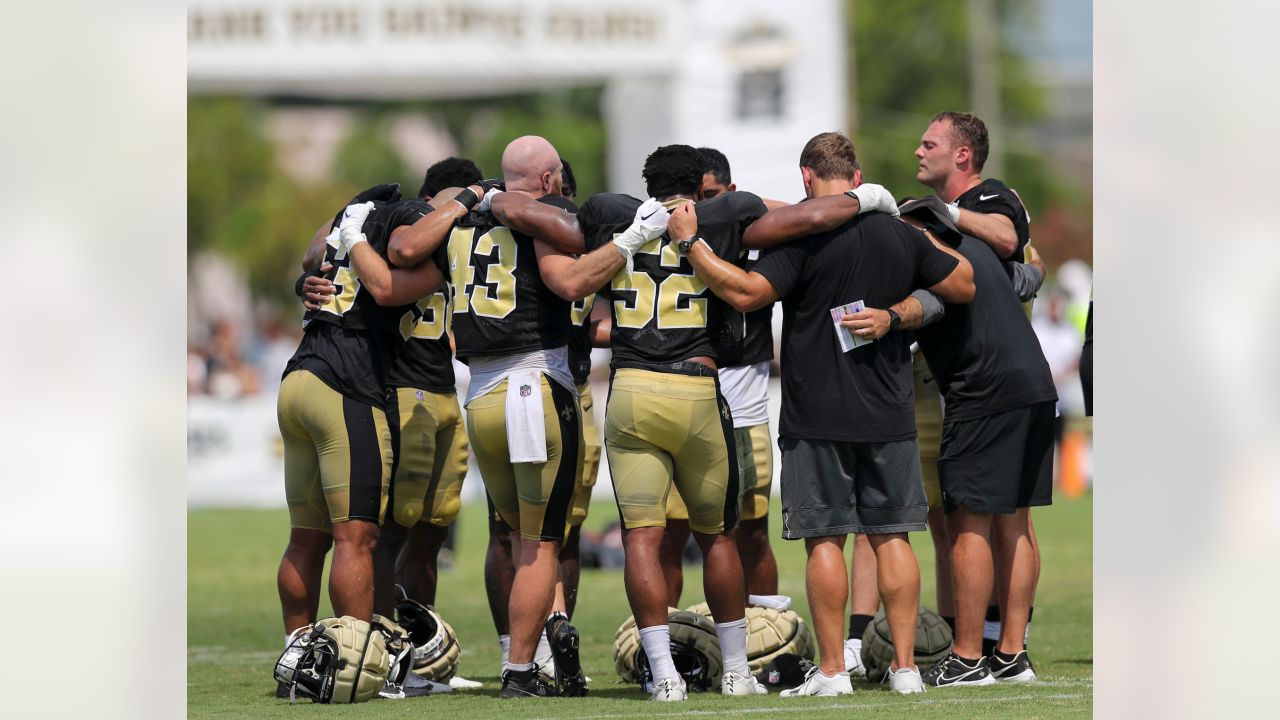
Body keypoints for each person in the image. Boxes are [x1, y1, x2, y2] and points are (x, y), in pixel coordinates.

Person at [677, 131, 975, 696]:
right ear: (858, 181)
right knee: (893, 538)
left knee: (825, 542)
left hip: (816, 412)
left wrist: (694, 246)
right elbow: (963, 281)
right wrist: (898, 312)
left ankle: (834, 671)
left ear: (807, 179)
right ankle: (906, 669)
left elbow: (745, 294)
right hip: (889, 410)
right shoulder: (900, 233)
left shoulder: (805, 237)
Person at [383, 135, 669, 698]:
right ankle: (520, 668)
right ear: (547, 181)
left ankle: (526, 654)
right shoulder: (547, 210)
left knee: (513, 536)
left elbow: (405, 254)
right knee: (542, 543)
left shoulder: (459, 223)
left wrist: (471, 199)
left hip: (480, 392)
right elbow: (571, 273)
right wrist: (632, 238)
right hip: (536, 382)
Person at [577, 144, 770, 702]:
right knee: (718, 537)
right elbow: (774, 215)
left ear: (647, 182)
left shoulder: (616, 216)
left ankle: (663, 675)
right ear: (702, 182)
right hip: (695, 388)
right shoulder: (726, 215)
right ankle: (735, 671)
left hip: (632, 386)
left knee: (642, 535)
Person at [862, 197, 1057, 687]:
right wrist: (1039, 266)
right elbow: (1028, 279)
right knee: (1013, 523)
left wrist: (890, 316)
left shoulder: (926, 256)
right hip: (1035, 387)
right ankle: (1012, 654)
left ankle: (969, 658)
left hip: (983, 395)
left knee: (969, 521)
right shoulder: (980, 249)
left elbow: (934, 301)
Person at [297, 158, 480, 623]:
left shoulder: (465, 238)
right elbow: (335, 258)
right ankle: (382, 643)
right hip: (398, 387)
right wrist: (348, 219)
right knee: (389, 528)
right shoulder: (404, 223)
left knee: (434, 532)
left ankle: (418, 643)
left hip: (443, 388)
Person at [914, 110, 1045, 654]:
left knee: (982, 522)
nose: (918, 151)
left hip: (987, 385)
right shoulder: (935, 215)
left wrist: (943, 215)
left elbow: (1010, 241)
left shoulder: (989, 197)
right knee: (984, 524)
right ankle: (1006, 651)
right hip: (1010, 383)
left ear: (962, 154)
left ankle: (979, 650)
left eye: (929, 143)